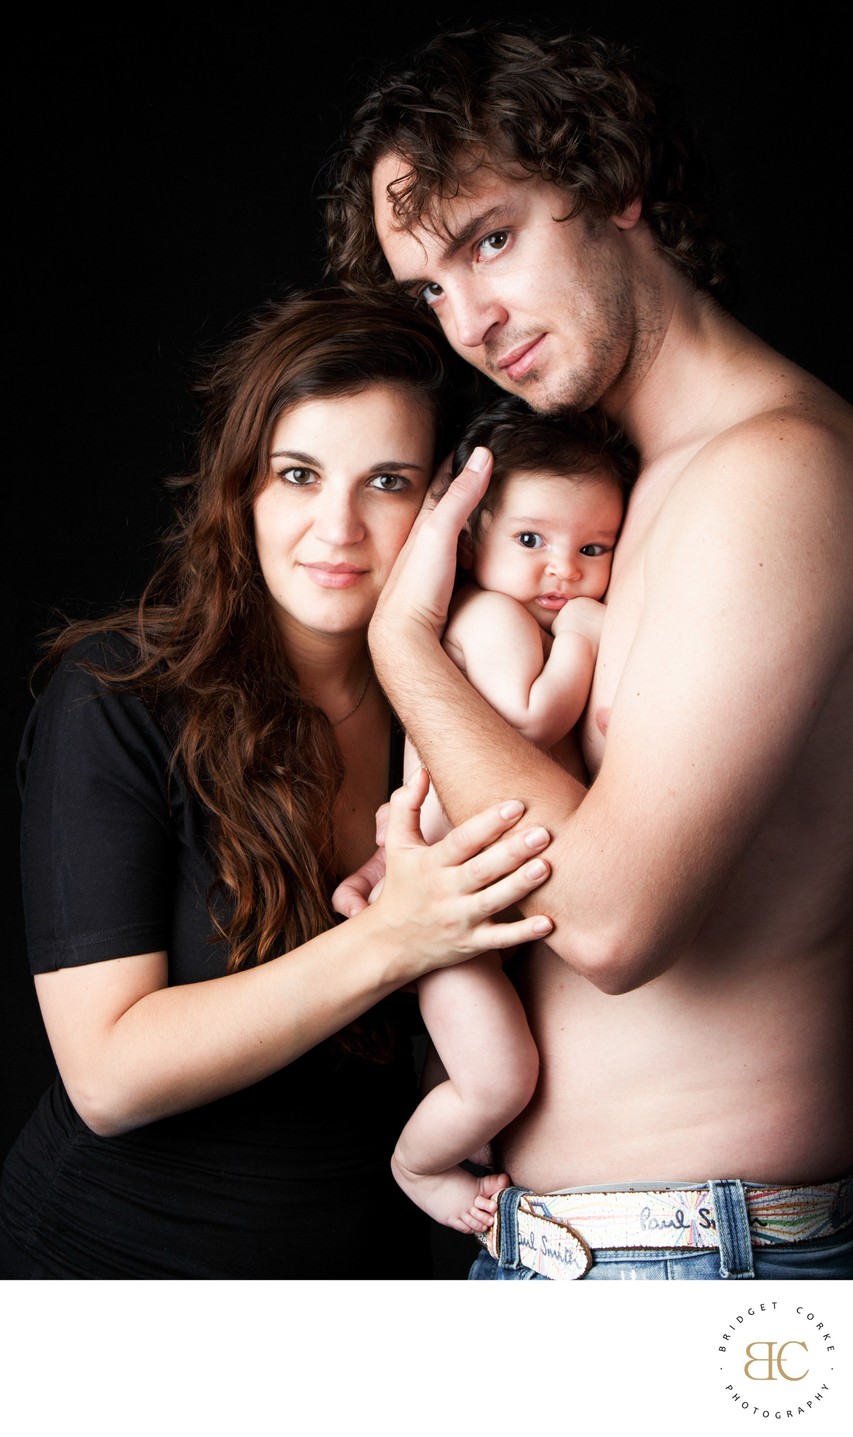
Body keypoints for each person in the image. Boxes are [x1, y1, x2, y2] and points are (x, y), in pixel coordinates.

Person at [324, 23, 853, 1280]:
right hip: (577, 1246)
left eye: (490, 240)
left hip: (691, 1260)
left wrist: (410, 652)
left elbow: (612, 923)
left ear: (614, 185)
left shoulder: (771, 474)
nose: (470, 320)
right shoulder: (638, 494)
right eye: (430, 289)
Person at [0, 287, 557, 1280]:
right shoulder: (123, 697)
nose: (335, 525)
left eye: (386, 481)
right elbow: (108, 1075)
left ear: (444, 507)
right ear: (242, 488)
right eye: (298, 474)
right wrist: (395, 937)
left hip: (365, 1289)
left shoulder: (455, 717)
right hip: (115, 1274)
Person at [350, 398, 633, 1236]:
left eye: (592, 549)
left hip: (469, 891)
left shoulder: (495, 613)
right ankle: (420, 1165)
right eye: (532, 540)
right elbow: (526, 722)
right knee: (498, 1077)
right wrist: (584, 635)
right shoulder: (494, 615)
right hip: (456, 910)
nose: (562, 571)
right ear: (471, 539)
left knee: (485, 1060)